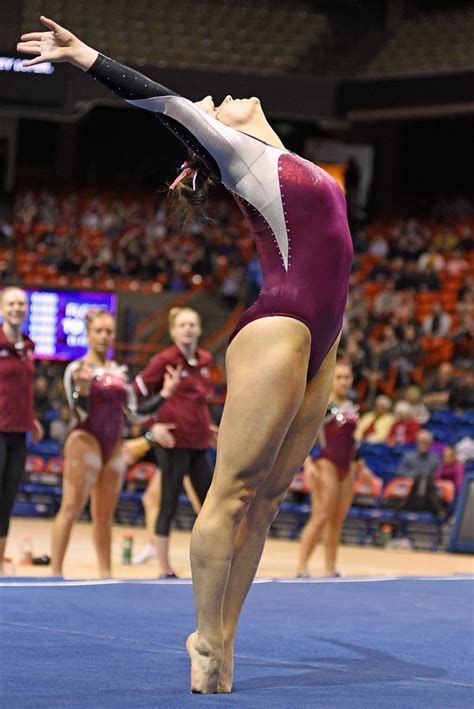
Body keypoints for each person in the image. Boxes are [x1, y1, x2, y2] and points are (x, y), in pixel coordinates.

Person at [18, 18, 353, 693]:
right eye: (212, 111)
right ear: (211, 139)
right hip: (281, 326)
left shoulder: (286, 159)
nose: (220, 99)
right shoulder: (243, 157)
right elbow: (164, 103)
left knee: (268, 498)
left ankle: (219, 640)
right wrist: (85, 57)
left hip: (325, 338)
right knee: (232, 492)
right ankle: (205, 633)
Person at [52, 308, 178, 577]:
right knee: (71, 508)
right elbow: (78, 412)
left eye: (109, 331)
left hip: (113, 445)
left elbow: (135, 414)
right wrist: (82, 389)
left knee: (104, 515)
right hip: (84, 440)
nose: (104, 336)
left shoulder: (120, 372)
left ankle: (105, 574)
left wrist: (164, 394)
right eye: (98, 331)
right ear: (88, 334)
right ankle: (55, 572)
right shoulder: (77, 368)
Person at [131, 307, 215, 577]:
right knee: (168, 502)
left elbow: (198, 401)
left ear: (200, 329)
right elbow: (132, 397)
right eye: (183, 325)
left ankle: (211, 562)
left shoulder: (205, 360)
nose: (188, 329)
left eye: (192, 324)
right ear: (173, 331)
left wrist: (207, 425)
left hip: (200, 443)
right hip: (172, 443)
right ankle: (165, 568)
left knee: (211, 503)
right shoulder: (164, 360)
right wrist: (151, 426)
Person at [296, 362, 358, 578]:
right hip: (326, 463)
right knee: (321, 516)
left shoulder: (351, 406)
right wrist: (308, 464)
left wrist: (362, 467)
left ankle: (330, 567)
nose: (344, 382)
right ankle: (302, 566)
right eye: (339, 377)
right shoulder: (323, 405)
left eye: (347, 378)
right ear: (331, 379)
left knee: (337, 519)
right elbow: (304, 436)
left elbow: (352, 441)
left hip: (347, 467)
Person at [0, 287, 43, 575]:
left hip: (19, 431)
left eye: (21, 303)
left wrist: (32, 418)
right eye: (11, 303)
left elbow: (22, 390)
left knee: (8, 496)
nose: (17, 307)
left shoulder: (28, 346)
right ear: (2, 308)